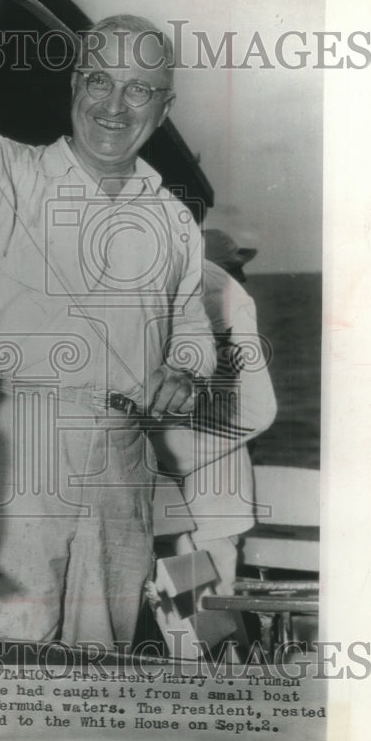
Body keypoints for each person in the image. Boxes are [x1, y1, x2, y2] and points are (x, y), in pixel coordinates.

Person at [0, 0, 216, 646]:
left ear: (163, 107)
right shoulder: (10, 171)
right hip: (13, 449)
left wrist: (187, 372)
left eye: (139, 89)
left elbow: (191, 327)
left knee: (103, 670)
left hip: (124, 458)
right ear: (76, 84)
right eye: (100, 81)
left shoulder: (173, 218)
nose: (115, 105)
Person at [151, 229, 277, 594]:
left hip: (192, 504)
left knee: (193, 617)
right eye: (237, 267)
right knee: (204, 618)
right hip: (206, 507)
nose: (244, 276)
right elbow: (253, 409)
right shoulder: (217, 295)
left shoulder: (181, 296)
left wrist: (161, 459)